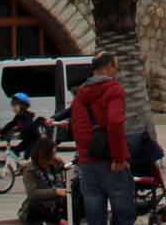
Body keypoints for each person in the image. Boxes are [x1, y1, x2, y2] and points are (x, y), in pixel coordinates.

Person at [69, 52, 136, 225]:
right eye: (116, 67)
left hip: (87, 163)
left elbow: (76, 127)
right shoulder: (113, 89)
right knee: (124, 212)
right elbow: (114, 123)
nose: (117, 71)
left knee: (94, 215)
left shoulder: (80, 94)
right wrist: (119, 158)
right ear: (107, 67)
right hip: (110, 161)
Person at [20, 134, 70, 225]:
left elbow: (65, 179)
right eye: (52, 154)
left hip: (56, 205)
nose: (54, 156)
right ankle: (59, 221)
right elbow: (32, 193)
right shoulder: (30, 170)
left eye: (55, 153)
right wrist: (55, 192)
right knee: (35, 205)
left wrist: (63, 165)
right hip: (40, 208)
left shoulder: (55, 164)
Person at [1, 93, 47, 157]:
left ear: (23, 105)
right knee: (15, 151)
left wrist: (20, 132)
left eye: (15, 105)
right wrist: (1, 133)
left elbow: (27, 126)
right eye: (12, 105)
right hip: (27, 140)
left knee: (27, 157)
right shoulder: (18, 116)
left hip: (34, 141)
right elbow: (10, 124)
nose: (13, 107)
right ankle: (19, 165)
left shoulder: (27, 116)